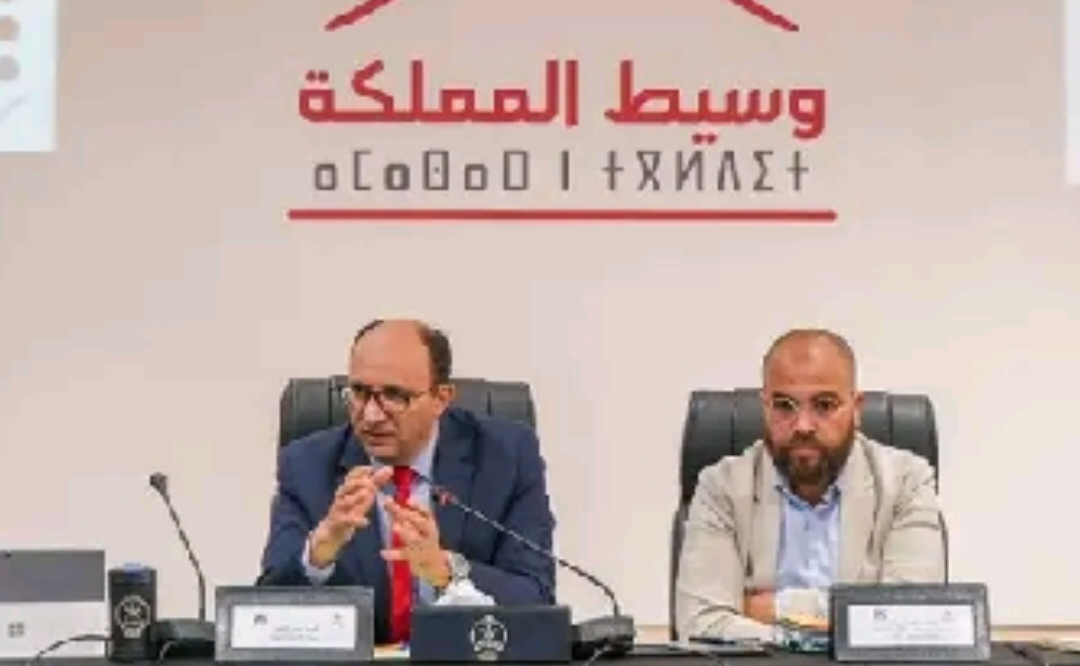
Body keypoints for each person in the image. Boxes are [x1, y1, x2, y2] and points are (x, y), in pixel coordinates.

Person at [258, 319, 557, 644]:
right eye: (359, 392)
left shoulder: (506, 457)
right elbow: (259, 614)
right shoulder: (306, 466)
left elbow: (536, 598)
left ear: (441, 398)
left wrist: (446, 571)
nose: (371, 415)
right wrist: (317, 554)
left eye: (394, 395)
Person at [675, 329, 945, 642]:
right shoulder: (721, 487)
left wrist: (772, 608)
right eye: (784, 405)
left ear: (856, 409)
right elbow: (701, 624)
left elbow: (909, 618)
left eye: (824, 405)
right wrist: (850, 620)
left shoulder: (906, 482)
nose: (803, 425)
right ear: (765, 408)